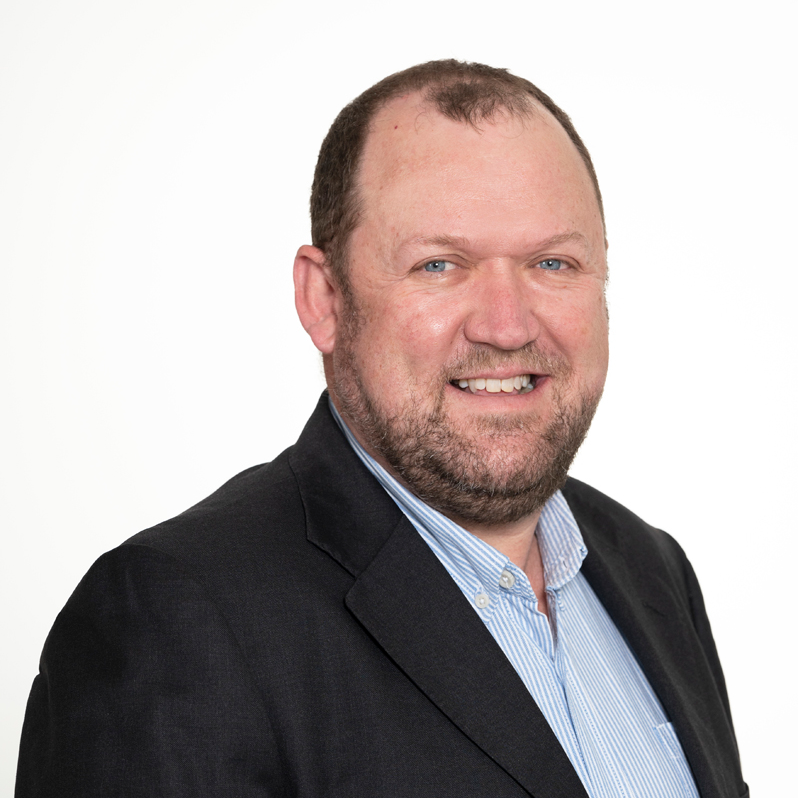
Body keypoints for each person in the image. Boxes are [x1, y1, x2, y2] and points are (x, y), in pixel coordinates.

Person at [16, 60, 747, 798]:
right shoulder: (176, 623)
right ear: (324, 299)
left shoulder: (654, 575)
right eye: (439, 265)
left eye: (553, 262)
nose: (506, 325)